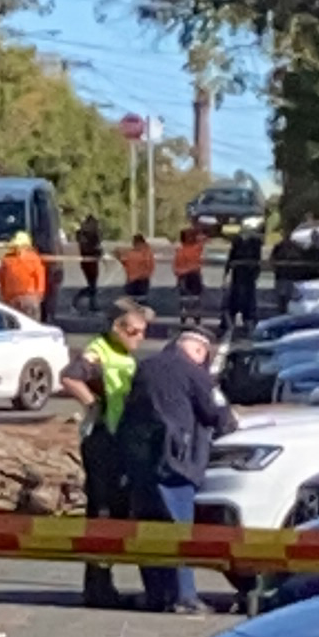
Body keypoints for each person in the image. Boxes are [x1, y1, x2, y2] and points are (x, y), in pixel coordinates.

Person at [114, 326, 237, 615]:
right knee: (179, 530)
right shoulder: (195, 373)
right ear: (199, 350)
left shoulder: (146, 367)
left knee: (148, 531)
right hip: (176, 461)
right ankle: (184, 596)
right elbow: (218, 414)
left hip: (140, 460)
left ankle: (156, 593)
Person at [59, 300, 150, 608]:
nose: (140, 338)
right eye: (134, 331)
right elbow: (70, 376)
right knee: (103, 511)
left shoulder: (121, 352)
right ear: (117, 328)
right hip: (103, 441)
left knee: (117, 510)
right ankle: (97, 585)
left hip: (118, 437)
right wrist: (92, 404)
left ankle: (103, 579)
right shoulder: (99, 350)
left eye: (143, 332)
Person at [223, 226, 264, 335]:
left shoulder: (255, 244)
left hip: (248, 277)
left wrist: (255, 272)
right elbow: (231, 258)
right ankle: (229, 323)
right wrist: (227, 272)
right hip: (238, 276)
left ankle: (249, 323)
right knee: (234, 299)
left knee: (249, 301)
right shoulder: (237, 243)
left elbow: (257, 261)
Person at [0, 230, 47, 318]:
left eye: (20, 246)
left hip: (29, 297)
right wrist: (4, 295)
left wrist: (39, 293)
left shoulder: (33, 258)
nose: (19, 249)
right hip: (13, 298)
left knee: (29, 323)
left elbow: (40, 277)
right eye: (17, 247)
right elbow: (1, 279)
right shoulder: (8, 260)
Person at [173, 226, 208, 327]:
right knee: (193, 297)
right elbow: (203, 239)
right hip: (191, 275)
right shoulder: (195, 248)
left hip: (185, 275)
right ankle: (194, 316)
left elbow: (176, 267)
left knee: (186, 297)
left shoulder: (181, 251)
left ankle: (186, 316)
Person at [73, 215, 104, 311]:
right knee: (92, 286)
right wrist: (96, 250)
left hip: (93, 261)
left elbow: (98, 245)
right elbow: (86, 247)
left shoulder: (93, 234)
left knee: (93, 285)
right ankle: (77, 301)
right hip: (88, 262)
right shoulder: (83, 234)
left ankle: (92, 304)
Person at [120, 233, 156, 301]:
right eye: (134, 243)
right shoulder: (132, 253)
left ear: (141, 243)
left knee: (140, 302)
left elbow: (148, 266)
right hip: (132, 281)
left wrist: (143, 275)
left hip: (141, 281)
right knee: (133, 302)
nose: (134, 245)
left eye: (136, 243)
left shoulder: (146, 253)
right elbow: (128, 265)